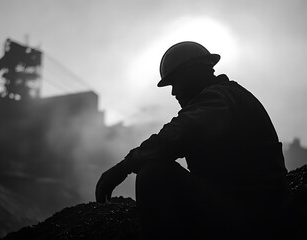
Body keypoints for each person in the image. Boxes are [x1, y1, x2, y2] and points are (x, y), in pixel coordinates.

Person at [95, 41, 290, 239]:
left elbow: (176, 136)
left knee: (154, 174)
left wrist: (123, 167)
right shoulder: (229, 95)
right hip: (250, 208)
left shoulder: (218, 99)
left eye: (175, 83)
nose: (173, 93)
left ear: (192, 73)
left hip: (253, 216)